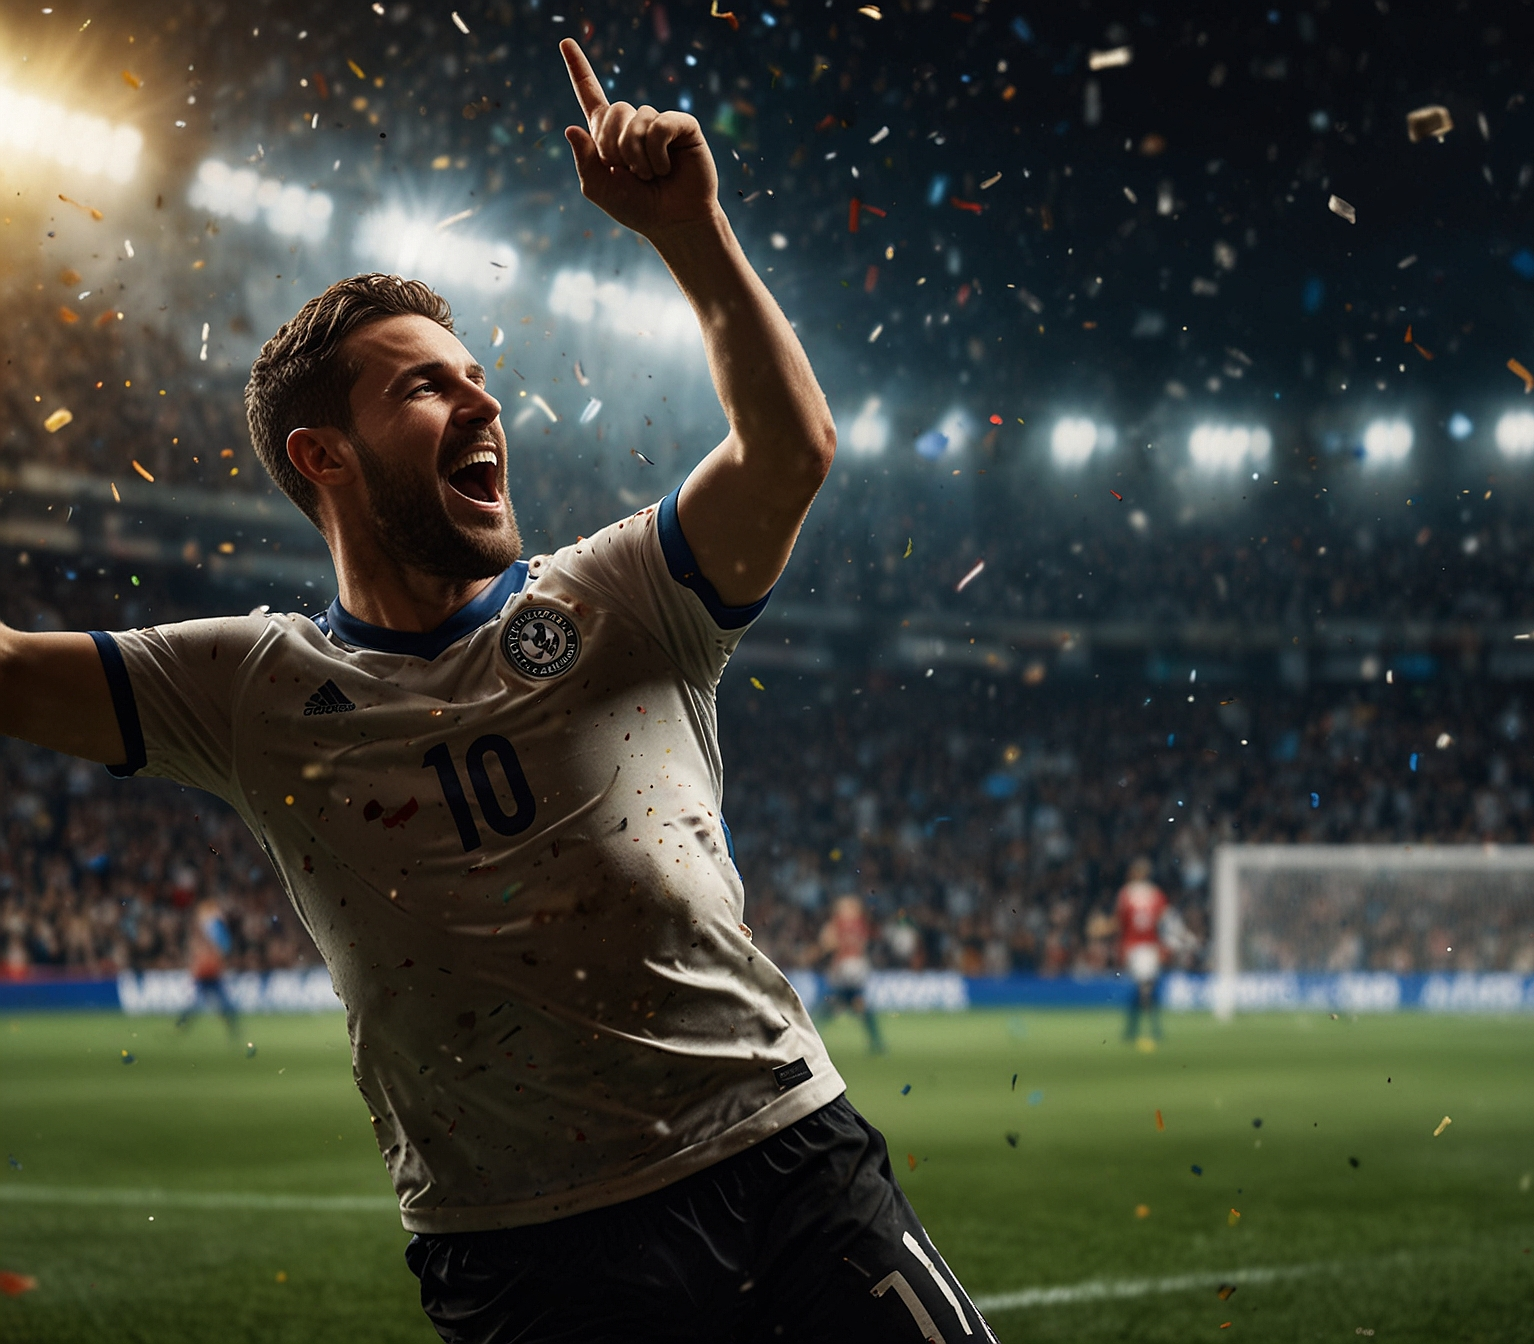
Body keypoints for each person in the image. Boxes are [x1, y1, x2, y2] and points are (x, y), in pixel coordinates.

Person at [0, 41, 996, 1344]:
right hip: (522, 1256)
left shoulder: (619, 597)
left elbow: (789, 450)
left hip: (783, 1170)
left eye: (480, 380)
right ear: (324, 457)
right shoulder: (247, 686)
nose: (483, 401)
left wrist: (689, 232)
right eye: (426, 385)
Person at [817, 894, 886, 1054]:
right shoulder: (861, 923)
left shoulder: (838, 923)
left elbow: (828, 942)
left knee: (835, 1002)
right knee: (856, 1003)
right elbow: (865, 941)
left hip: (844, 966)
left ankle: (812, 1032)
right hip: (859, 966)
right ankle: (876, 1041)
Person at [1114, 858, 1169, 1050]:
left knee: (1143, 988)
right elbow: (1163, 922)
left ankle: (1135, 1028)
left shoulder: (1126, 894)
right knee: (1146, 987)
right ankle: (1150, 1028)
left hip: (1134, 946)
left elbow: (1121, 923)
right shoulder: (1156, 894)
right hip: (1149, 946)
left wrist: (1121, 948)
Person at [175, 896, 239, 1037]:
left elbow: (216, 951)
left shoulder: (207, 933)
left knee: (218, 1004)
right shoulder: (209, 932)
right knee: (204, 1004)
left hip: (211, 974)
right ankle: (233, 1030)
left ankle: (233, 1029)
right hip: (205, 974)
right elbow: (220, 950)